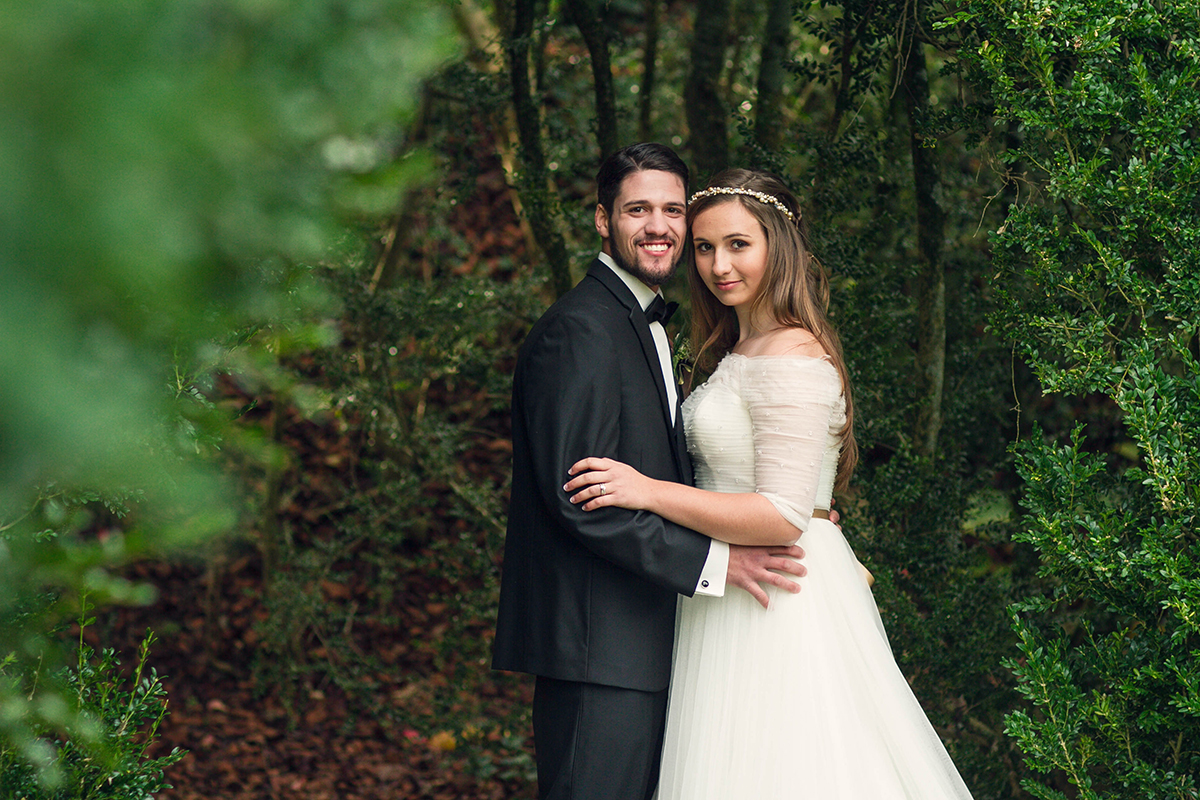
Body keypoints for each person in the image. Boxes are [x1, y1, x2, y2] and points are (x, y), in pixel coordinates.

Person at [564, 168, 975, 798]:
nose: (717, 265)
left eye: (738, 245)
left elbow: (783, 514)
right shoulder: (736, 350)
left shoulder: (793, 356)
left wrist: (645, 491)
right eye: (703, 247)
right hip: (726, 590)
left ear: (777, 247)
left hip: (779, 599)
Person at [492, 145, 809, 800]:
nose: (659, 226)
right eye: (638, 210)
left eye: (672, 210)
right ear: (604, 220)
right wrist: (718, 563)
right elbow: (580, 498)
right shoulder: (581, 330)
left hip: (647, 642)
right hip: (597, 650)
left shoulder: (644, 324)